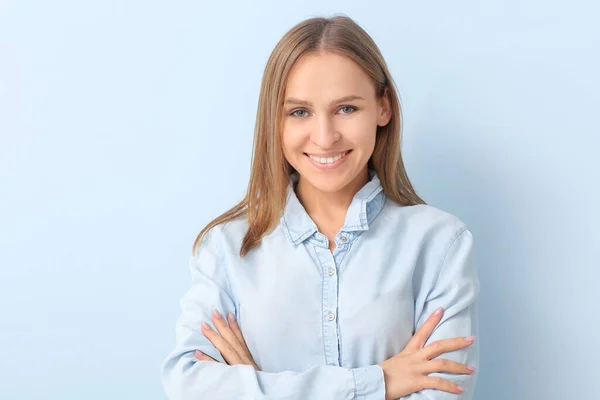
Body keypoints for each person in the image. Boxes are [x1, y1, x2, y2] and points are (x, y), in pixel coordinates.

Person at [161, 14, 479, 400]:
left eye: (346, 108)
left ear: (383, 109)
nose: (325, 137)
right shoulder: (226, 248)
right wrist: (379, 383)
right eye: (299, 112)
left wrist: (256, 385)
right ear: (274, 122)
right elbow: (188, 385)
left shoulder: (439, 244)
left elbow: (443, 392)